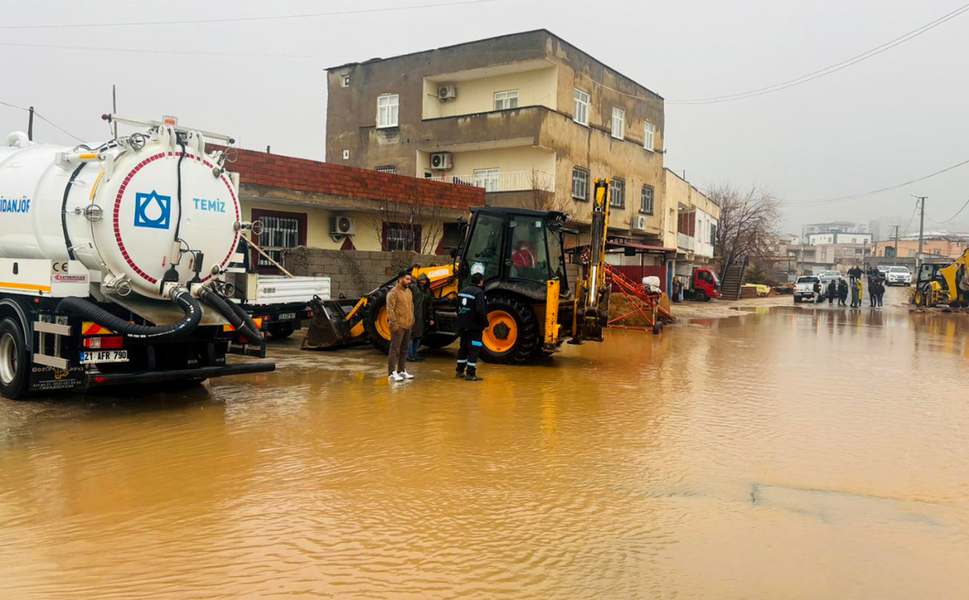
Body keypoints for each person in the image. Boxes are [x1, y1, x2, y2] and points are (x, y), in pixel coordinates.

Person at [455, 272, 489, 382]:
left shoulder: (461, 291)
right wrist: (485, 323)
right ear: (480, 282)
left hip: (463, 326)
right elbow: (480, 310)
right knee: (474, 349)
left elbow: (457, 308)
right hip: (475, 327)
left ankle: (459, 372)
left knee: (463, 348)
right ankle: (470, 374)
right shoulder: (479, 293)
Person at [386, 272, 415, 382]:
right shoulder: (393, 293)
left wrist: (412, 319)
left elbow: (411, 306)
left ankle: (402, 370)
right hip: (398, 326)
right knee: (394, 349)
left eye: (410, 279)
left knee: (405, 349)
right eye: (407, 279)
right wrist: (394, 324)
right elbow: (390, 309)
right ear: (400, 279)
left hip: (408, 325)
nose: (409, 281)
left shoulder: (408, 292)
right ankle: (391, 373)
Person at [407, 273, 434, 362]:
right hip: (412, 315)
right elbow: (407, 284)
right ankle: (410, 355)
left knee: (419, 336)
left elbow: (429, 306)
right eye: (421, 280)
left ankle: (414, 354)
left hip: (422, 317)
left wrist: (431, 318)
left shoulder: (427, 291)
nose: (423, 282)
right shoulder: (414, 288)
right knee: (412, 336)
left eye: (425, 280)